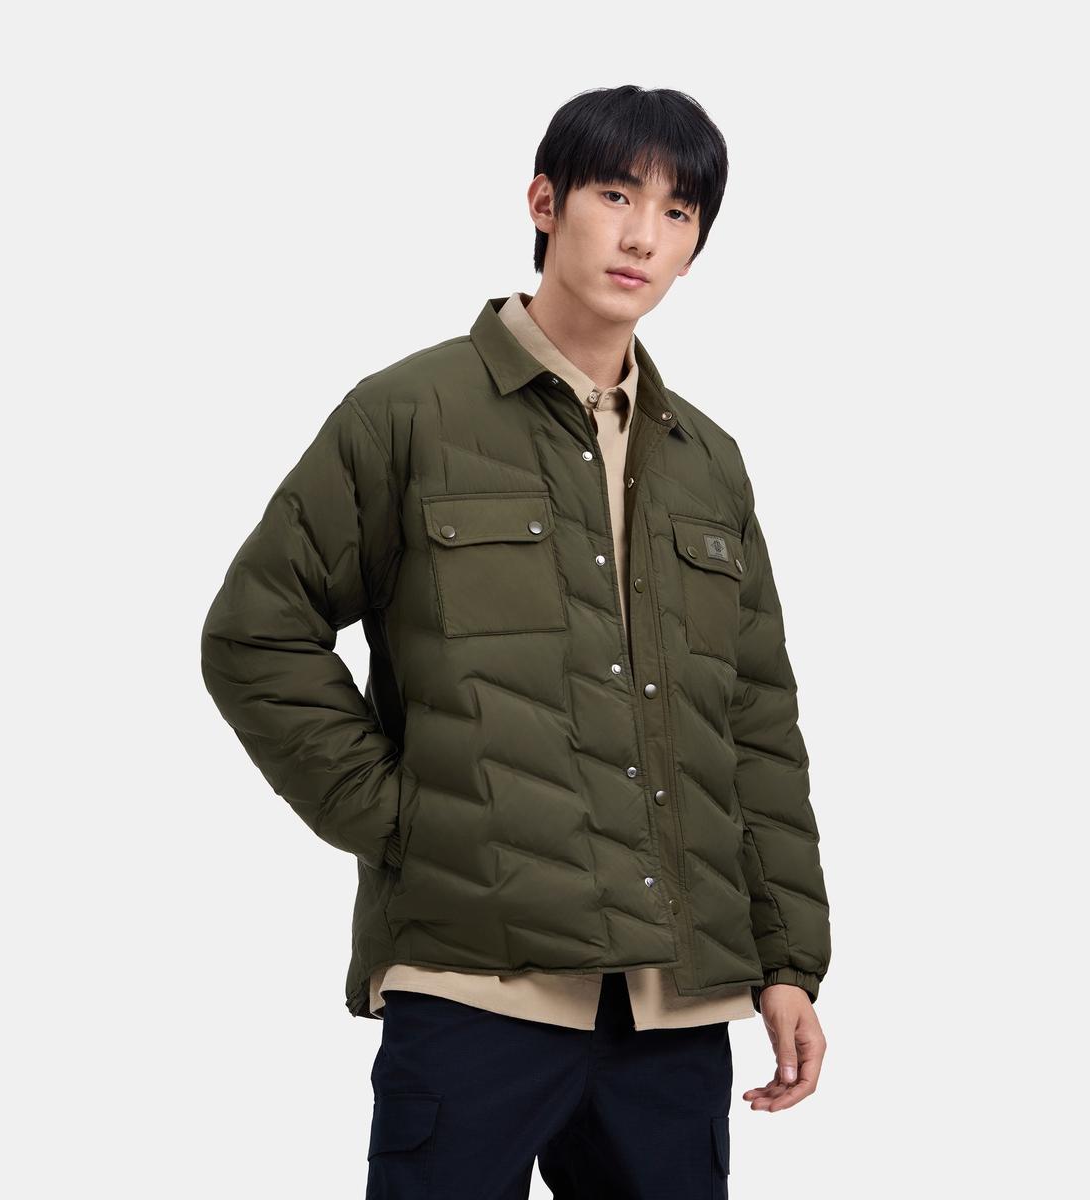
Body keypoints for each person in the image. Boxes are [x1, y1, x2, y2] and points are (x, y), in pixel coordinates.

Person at [200, 84, 831, 1199]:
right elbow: (257, 633)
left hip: (672, 1010)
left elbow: (754, 725)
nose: (643, 235)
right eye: (615, 195)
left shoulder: (709, 463)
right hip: (473, 992)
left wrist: (786, 962)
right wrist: (408, 823)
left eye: (678, 212)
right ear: (545, 203)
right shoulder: (409, 415)